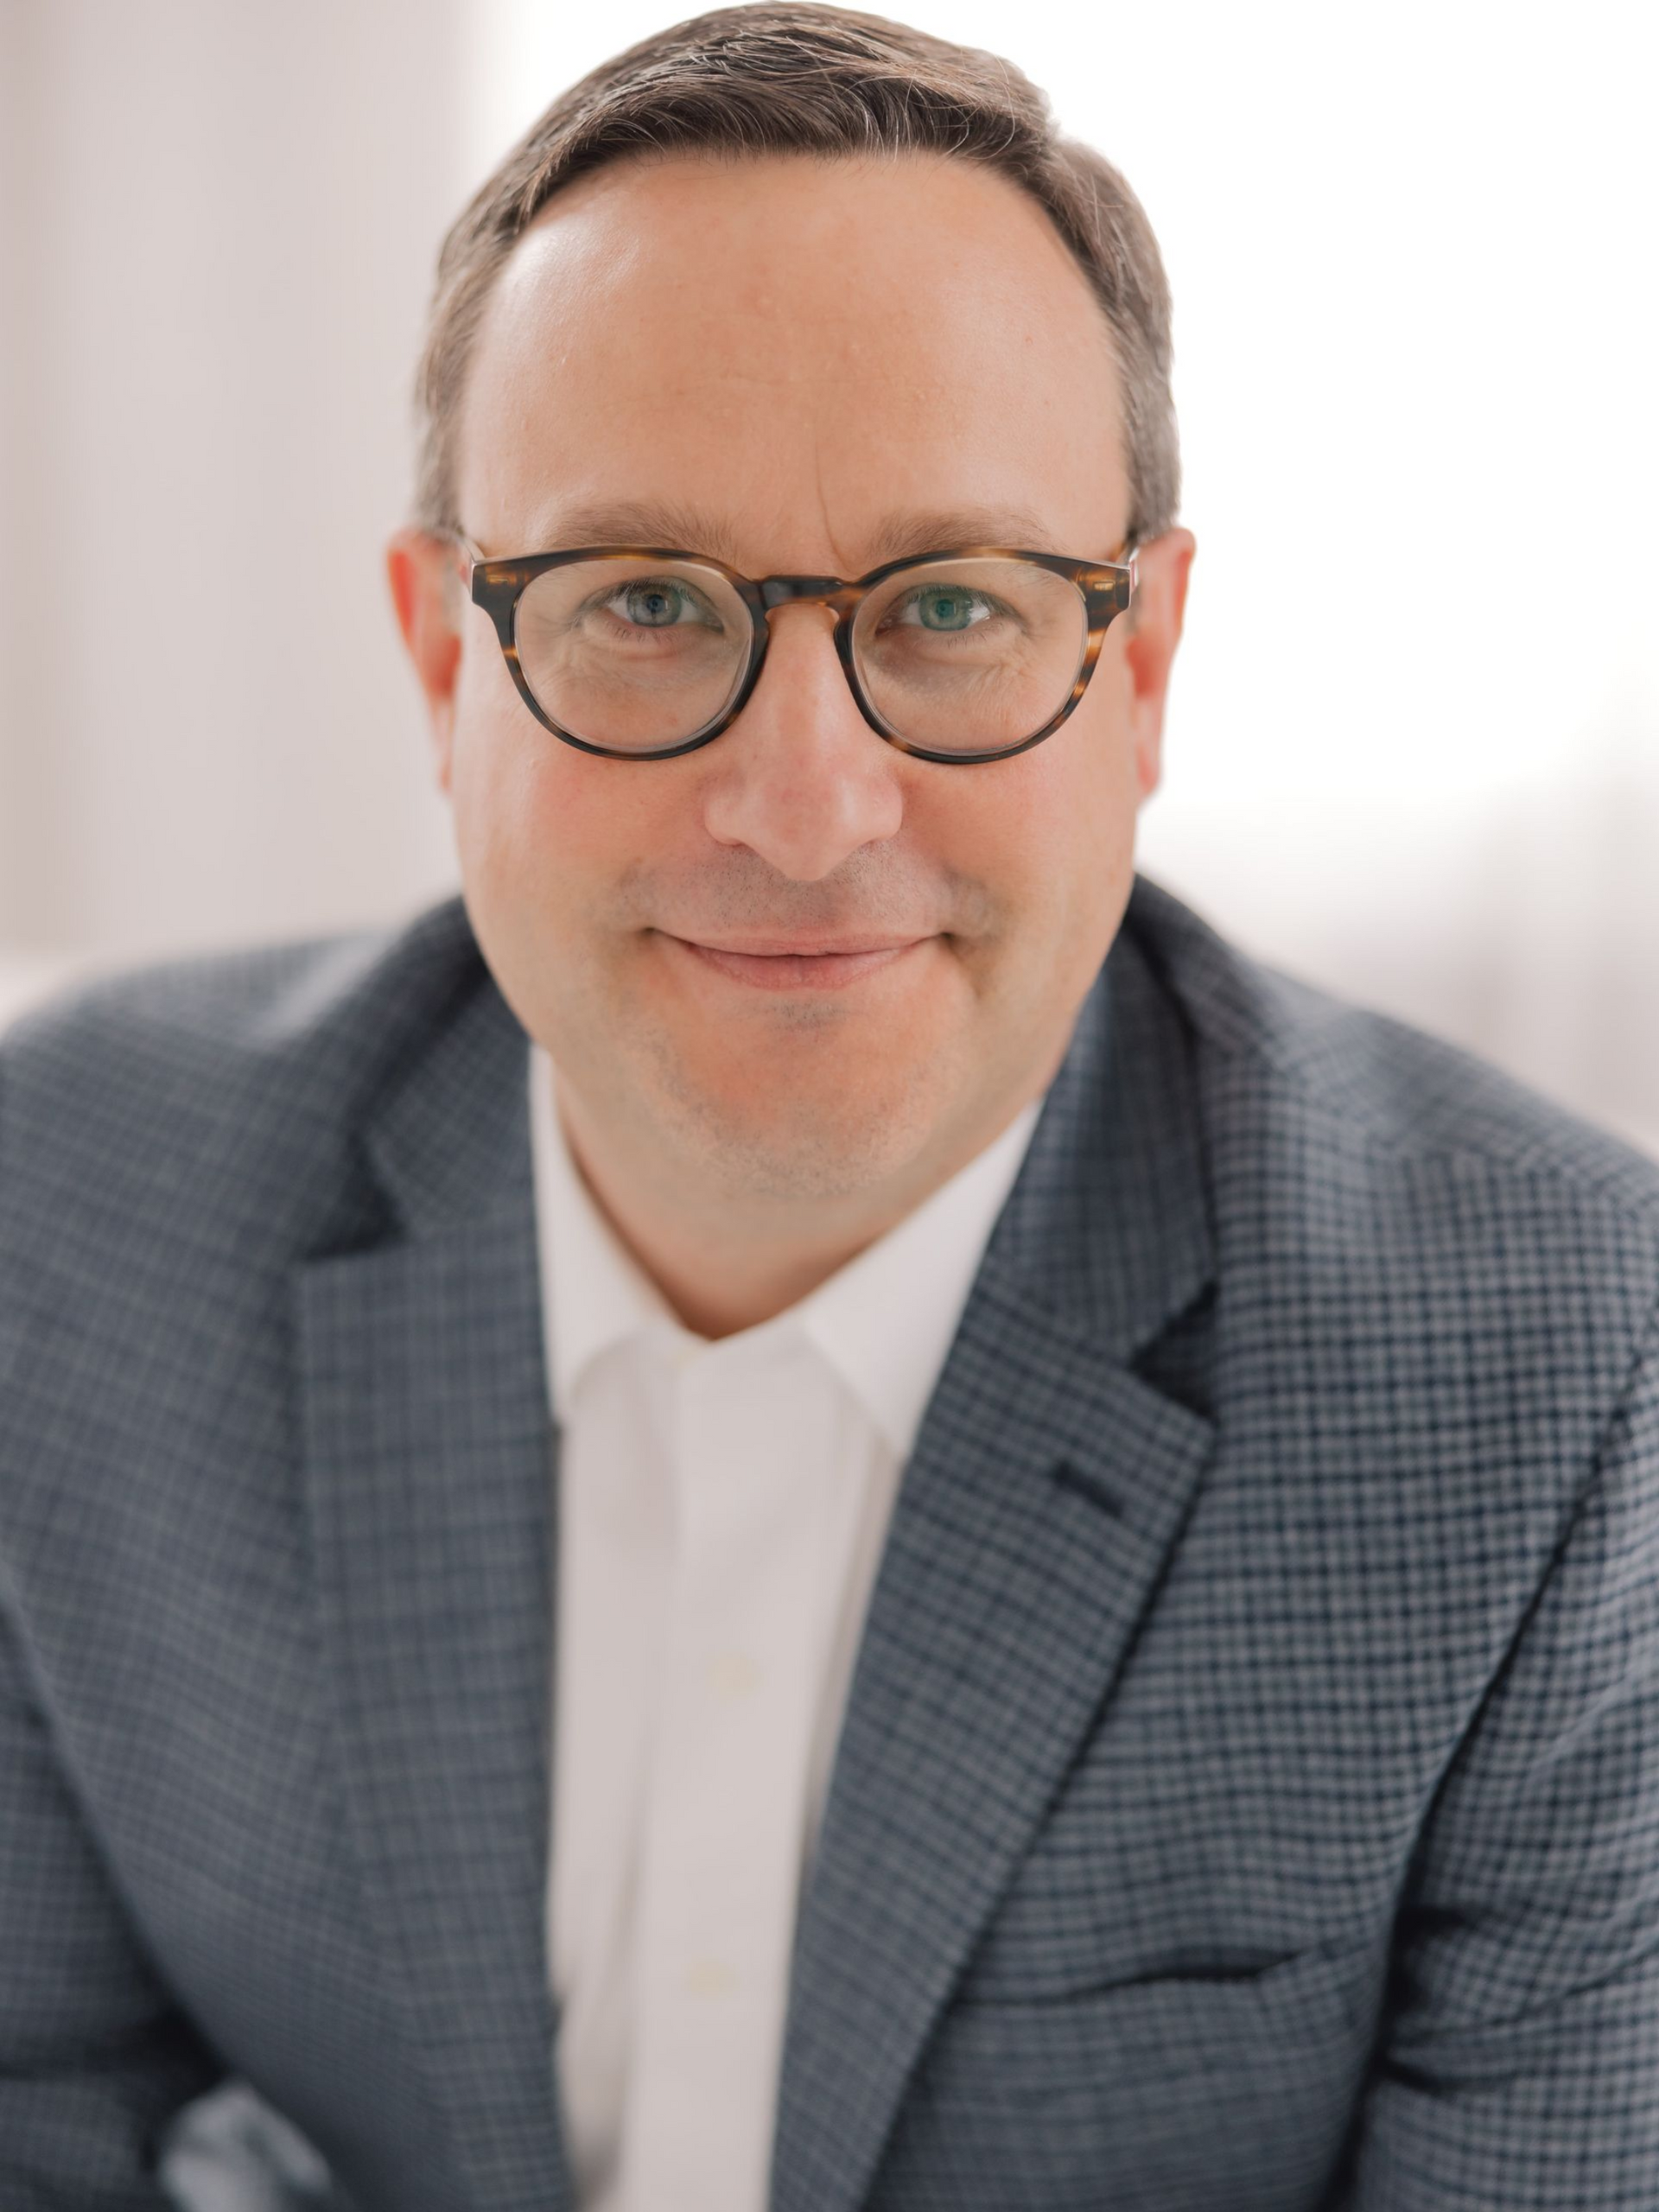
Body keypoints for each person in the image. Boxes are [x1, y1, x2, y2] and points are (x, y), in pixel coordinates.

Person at [2, 6, 1656, 2209]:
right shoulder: (71, 1207)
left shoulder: (1562, 1374)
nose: (802, 804)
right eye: (646, 602)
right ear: (440, 665)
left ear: (1141, 671)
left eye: (955, 604)